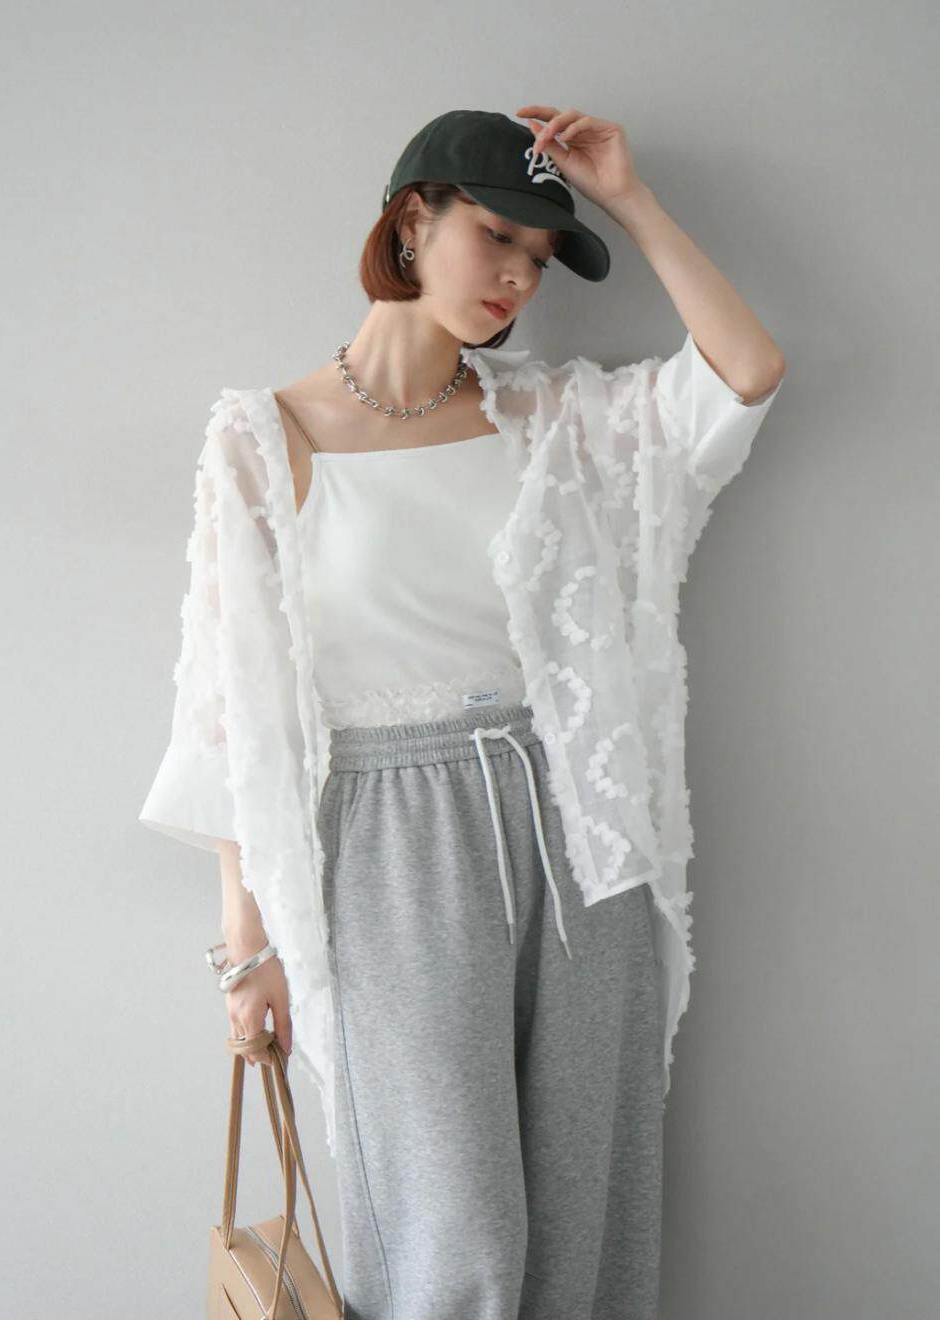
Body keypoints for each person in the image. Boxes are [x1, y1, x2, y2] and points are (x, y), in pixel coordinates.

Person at [139, 107, 786, 1319]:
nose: (518, 278)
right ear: (411, 220)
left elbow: (744, 371)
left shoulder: (552, 420)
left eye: (540, 258)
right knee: (455, 1234)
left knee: (588, 1219)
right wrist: (247, 947)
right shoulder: (264, 438)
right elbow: (234, 713)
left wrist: (631, 200)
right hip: (386, 840)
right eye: (497, 235)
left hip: (574, 818)